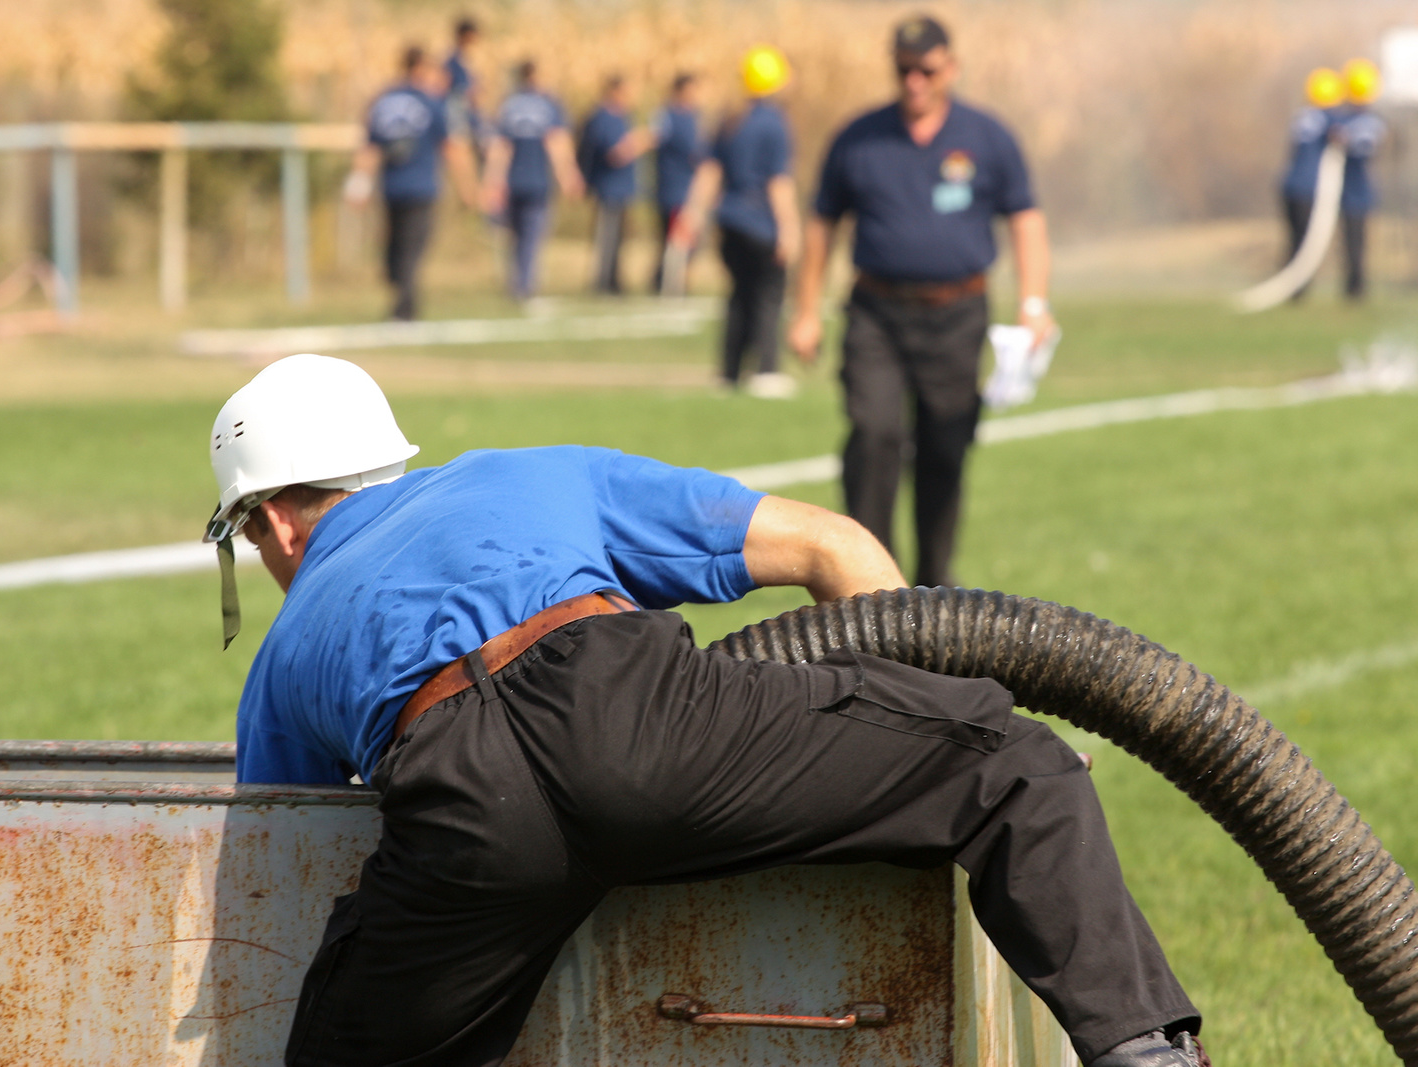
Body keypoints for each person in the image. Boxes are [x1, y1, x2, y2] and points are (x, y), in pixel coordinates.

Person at [201, 352, 1207, 1067]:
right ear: (388, 458)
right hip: (637, 711)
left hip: (460, 804)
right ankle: (1141, 1055)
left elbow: (289, 845)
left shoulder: (283, 656)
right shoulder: (533, 472)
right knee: (1008, 764)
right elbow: (834, 547)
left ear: (275, 518)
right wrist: (914, 733)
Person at [787, 15, 1055, 589]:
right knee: (875, 433)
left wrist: (1034, 304)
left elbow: (1025, 219)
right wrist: (806, 310)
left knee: (945, 446)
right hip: (877, 314)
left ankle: (935, 586)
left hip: (957, 316)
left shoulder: (987, 137)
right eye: (904, 70)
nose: (914, 81)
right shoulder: (859, 138)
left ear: (950, 68)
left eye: (926, 70)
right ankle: (867, 587)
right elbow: (821, 225)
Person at [673, 47, 802, 399]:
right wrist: (789, 228)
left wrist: (693, 214)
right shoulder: (775, 123)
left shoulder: (732, 119)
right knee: (768, 296)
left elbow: (709, 171)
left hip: (729, 220)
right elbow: (778, 183)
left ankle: (729, 372)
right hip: (761, 222)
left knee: (739, 297)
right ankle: (767, 370)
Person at [343, 47, 477, 321]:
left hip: (392, 187)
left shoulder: (383, 101)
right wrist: (468, 188)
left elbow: (369, 148)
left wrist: (358, 184)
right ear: (420, 69)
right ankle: (404, 311)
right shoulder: (431, 103)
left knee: (396, 248)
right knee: (412, 251)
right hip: (422, 188)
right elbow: (451, 147)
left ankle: (402, 303)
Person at [480, 61, 585, 302]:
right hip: (537, 181)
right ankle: (525, 286)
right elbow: (557, 143)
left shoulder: (508, 105)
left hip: (512, 181)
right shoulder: (549, 105)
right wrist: (569, 177)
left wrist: (492, 182)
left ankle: (516, 283)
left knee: (514, 236)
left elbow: (499, 148)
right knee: (532, 235)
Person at [577, 75, 651, 293]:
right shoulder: (603, 118)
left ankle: (614, 280)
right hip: (608, 188)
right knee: (607, 238)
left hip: (621, 188)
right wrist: (642, 141)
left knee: (618, 239)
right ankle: (603, 282)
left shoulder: (622, 116)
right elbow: (616, 153)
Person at [1278, 67, 1345, 301]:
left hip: (1289, 186)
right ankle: (1297, 289)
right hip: (1308, 188)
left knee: (1294, 240)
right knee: (1306, 241)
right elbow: (1342, 137)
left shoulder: (1302, 115)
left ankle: (1291, 288)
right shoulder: (1328, 117)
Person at [1333, 58, 1387, 301]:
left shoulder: (1368, 122)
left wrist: (1347, 140)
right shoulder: (1343, 118)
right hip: (1342, 190)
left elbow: (1366, 146)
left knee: (1356, 241)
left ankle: (1356, 288)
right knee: (1349, 241)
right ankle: (1352, 286)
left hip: (1357, 191)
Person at [649, 72, 705, 292]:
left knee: (688, 241)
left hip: (691, 189)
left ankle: (676, 282)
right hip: (673, 188)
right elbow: (653, 137)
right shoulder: (666, 115)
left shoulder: (694, 117)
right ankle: (669, 286)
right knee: (674, 240)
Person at [443, 16, 485, 158]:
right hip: (459, 115)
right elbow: (459, 92)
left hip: (468, 114)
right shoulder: (453, 61)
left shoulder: (465, 59)